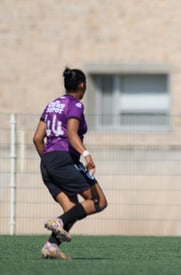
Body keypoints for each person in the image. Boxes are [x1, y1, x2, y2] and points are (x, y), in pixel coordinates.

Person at [33, 67, 108, 259]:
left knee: (71, 210)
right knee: (99, 201)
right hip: (64, 160)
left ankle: (51, 246)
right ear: (82, 85)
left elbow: (37, 138)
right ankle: (58, 222)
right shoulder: (75, 105)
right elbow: (71, 133)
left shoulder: (51, 105)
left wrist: (50, 162)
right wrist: (86, 154)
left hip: (47, 163)